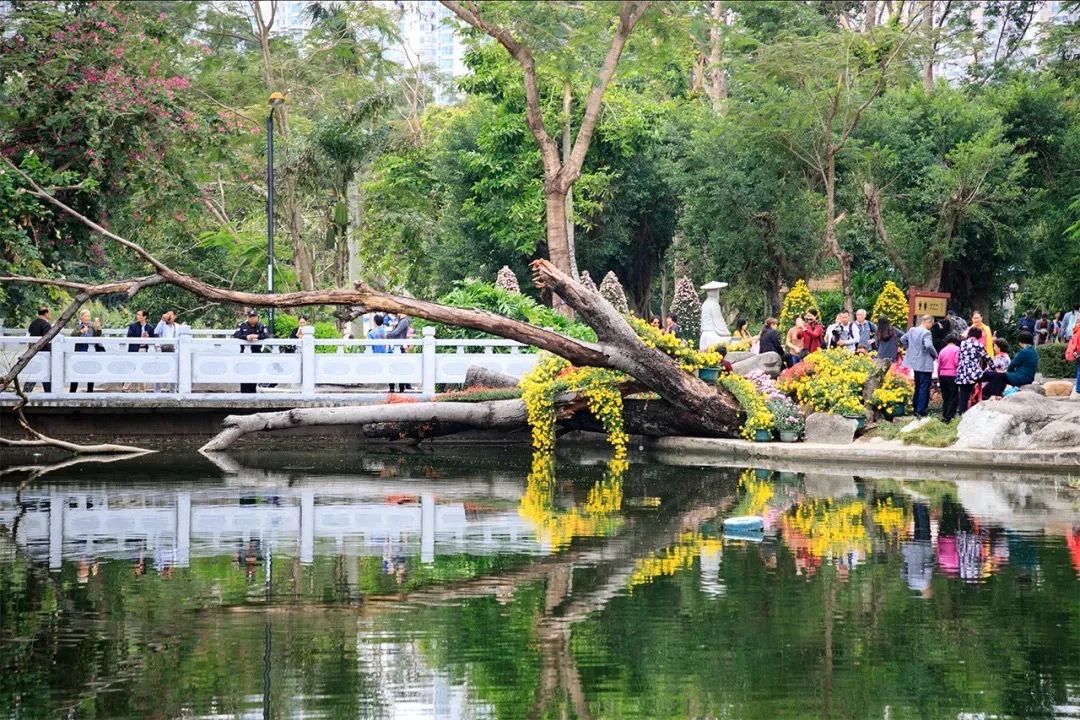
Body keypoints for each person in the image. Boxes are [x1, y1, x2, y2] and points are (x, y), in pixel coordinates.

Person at [900, 315, 938, 417]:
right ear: (928, 322)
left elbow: (902, 339)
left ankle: (915, 407)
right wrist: (935, 354)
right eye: (931, 324)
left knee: (917, 386)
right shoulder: (926, 332)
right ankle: (921, 411)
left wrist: (910, 348)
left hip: (915, 362)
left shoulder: (912, 330)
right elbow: (929, 345)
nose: (931, 326)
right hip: (925, 363)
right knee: (924, 387)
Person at [981, 331, 1037, 398]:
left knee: (998, 375)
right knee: (1001, 376)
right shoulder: (1033, 351)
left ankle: (995, 396)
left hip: (1021, 377)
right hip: (1028, 377)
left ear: (1021, 341)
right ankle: (997, 395)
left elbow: (1012, 365)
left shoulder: (1024, 351)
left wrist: (1009, 374)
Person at [955, 327, 990, 416]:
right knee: (972, 390)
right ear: (978, 336)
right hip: (973, 372)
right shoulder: (978, 345)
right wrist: (993, 367)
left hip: (962, 372)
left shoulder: (962, 344)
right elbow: (987, 358)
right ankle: (971, 411)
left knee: (963, 393)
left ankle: (961, 413)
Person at [232, 310, 269, 393]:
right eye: (251, 317)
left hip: (256, 353)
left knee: (254, 373)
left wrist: (257, 336)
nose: (253, 319)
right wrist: (246, 337)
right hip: (244, 355)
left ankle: (253, 391)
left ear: (257, 317)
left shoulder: (261, 326)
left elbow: (266, 335)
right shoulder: (242, 326)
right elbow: (236, 335)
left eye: (254, 317)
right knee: (244, 374)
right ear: (247, 317)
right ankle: (244, 392)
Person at [69, 310, 103, 393]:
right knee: (76, 371)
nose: (87, 318)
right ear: (81, 317)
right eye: (85, 316)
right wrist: (81, 331)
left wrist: (98, 328)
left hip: (91, 350)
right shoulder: (79, 326)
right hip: (80, 350)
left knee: (90, 371)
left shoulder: (92, 326)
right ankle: (72, 391)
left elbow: (98, 335)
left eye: (88, 316)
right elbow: (72, 335)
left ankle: (90, 391)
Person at [25, 306, 53, 392]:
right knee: (46, 373)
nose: (50, 314)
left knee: (34, 372)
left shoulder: (33, 323)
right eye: (49, 312)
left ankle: (26, 390)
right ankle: (48, 392)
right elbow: (47, 340)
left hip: (33, 352)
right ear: (46, 313)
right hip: (44, 353)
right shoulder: (46, 325)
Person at [154, 310, 180, 392]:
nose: (168, 317)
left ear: (175, 317)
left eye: (170, 315)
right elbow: (156, 331)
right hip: (162, 350)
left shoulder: (178, 326)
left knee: (174, 371)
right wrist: (162, 320)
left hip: (174, 351)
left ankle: (173, 391)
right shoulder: (163, 324)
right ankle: (157, 391)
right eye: (167, 315)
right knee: (159, 370)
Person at [386, 314, 413, 392]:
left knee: (398, 367)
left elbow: (396, 332)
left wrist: (387, 334)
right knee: (394, 367)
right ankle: (394, 387)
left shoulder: (404, 321)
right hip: (397, 347)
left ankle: (399, 387)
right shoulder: (401, 320)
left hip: (399, 347)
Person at [937, 335, 960, 421]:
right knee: (953, 396)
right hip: (953, 375)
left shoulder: (942, 351)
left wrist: (939, 376)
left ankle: (944, 414)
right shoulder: (957, 349)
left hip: (943, 375)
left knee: (945, 397)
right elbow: (956, 362)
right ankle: (949, 416)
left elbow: (939, 365)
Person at [1065, 325, 1080, 399]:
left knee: (1078, 371)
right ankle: (1078, 389)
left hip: (1077, 354)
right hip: (1079, 353)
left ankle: (1078, 389)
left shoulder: (1077, 330)